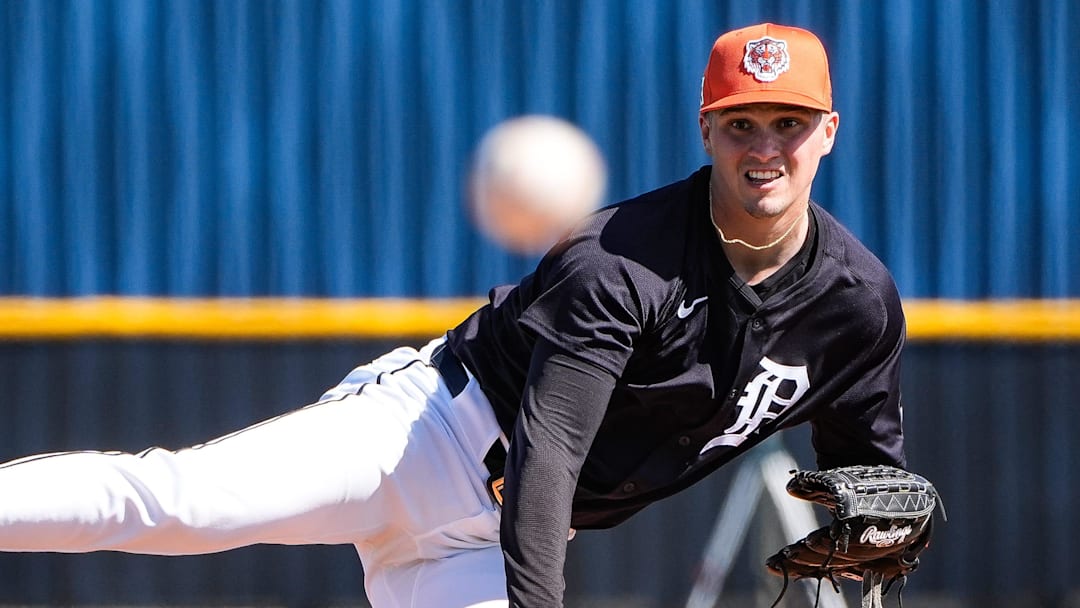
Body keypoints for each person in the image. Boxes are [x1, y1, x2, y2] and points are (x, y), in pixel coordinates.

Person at [0, 22, 908, 608]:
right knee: (178, 503)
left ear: (828, 131)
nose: (766, 147)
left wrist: (883, 543)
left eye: (788, 122)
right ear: (706, 130)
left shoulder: (855, 306)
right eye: (743, 122)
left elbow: (872, 477)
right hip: (418, 438)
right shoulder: (622, 261)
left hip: (472, 548)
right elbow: (549, 453)